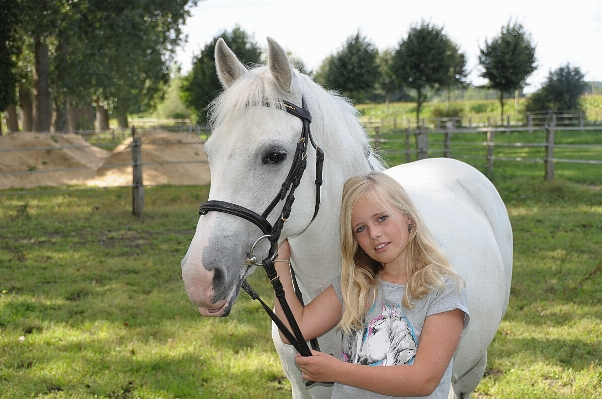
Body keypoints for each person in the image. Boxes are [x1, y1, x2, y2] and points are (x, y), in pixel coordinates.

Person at [273, 172, 470, 398]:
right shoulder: (357, 286)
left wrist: (338, 371)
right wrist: (280, 261)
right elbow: (293, 330)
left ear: (407, 217)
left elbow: (423, 380)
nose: (374, 234)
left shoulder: (443, 289)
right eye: (360, 228)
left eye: (381, 218)